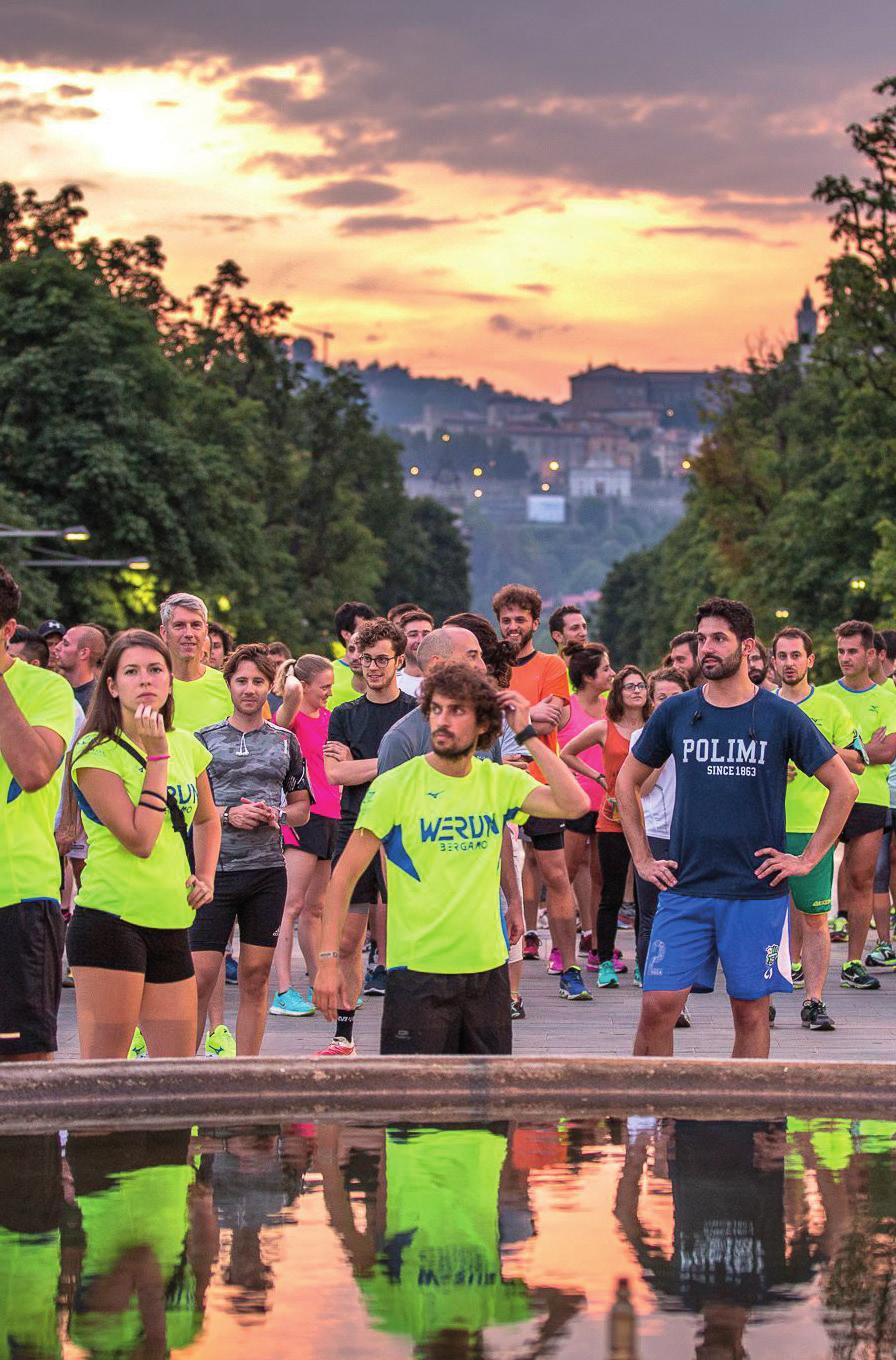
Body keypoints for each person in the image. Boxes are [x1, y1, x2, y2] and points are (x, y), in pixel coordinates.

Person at [617, 596, 857, 1059]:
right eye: (702, 638)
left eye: (718, 639)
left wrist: (808, 859)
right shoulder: (677, 712)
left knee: (750, 1011)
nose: (707, 648)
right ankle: (652, 1114)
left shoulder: (780, 715)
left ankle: (751, 1123)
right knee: (656, 1006)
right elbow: (626, 781)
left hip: (755, 892)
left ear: (747, 647)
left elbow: (843, 787)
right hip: (685, 886)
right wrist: (642, 857)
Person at [314, 664, 589, 1052]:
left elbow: (574, 803)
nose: (443, 720)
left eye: (457, 711)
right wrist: (327, 961)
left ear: (483, 725)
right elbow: (341, 880)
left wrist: (528, 735)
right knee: (415, 1109)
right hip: (417, 972)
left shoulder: (498, 781)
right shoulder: (394, 785)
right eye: (437, 709)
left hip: (486, 971)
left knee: (486, 1109)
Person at [67, 629, 220, 1058]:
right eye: (131, 671)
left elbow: (208, 818)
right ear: (112, 685)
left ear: (170, 681)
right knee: (106, 1079)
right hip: (111, 922)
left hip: (172, 921)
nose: (146, 680)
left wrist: (205, 875)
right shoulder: (96, 753)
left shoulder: (187, 745)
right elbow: (140, 839)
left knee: (175, 1077)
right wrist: (156, 757)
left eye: (156, 670)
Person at [191, 644, 309, 1055]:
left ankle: (246, 1069)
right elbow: (187, 807)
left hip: (266, 872)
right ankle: (180, 1070)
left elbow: (302, 810)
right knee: (201, 976)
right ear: (228, 684)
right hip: (214, 871)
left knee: (256, 975)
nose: (249, 689)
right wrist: (226, 816)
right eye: (241, 680)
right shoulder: (202, 740)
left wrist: (277, 814)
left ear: (269, 687)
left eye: (258, 681)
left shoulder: (285, 742)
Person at [318, 617, 417, 1054]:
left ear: (398, 660)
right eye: (365, 659)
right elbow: (335, 773)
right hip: (355, 822)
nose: (373, 667)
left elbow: (422, 771)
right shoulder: (344, 714)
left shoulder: (416, 711)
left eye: (381, 659)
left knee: (404, 932)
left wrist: (365, 764)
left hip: (407, 829)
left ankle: (405, 1026)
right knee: (347, 937)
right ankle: (344, 1032)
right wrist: (394, 763)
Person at [493, 584, 587, 996]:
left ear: (535, 622)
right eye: (506, 620)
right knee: (497, 874)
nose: (513, 627)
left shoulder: (551, 664)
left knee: (555, 875)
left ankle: (569, 967)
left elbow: (553, 722)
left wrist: (513, 711)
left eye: (520, 619)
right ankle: (499, 973)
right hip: (497, 783)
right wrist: (530, 710)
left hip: (542, 784)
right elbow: (496, 716)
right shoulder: (490, 662)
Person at [0, 565, 76, 1063]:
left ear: (8, 632)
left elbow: (32, 771)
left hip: (19, 897)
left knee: (24, 1072)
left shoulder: (48, 690)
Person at [772, 626, 862, 1031]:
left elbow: (858, 762)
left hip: (813, 827)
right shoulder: (758, 705)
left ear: (810, 661)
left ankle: (814, 1000)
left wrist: (813, 750)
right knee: (763, 917)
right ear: (771, 662)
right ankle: (764, 997)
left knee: (815, 918)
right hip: (765, 827)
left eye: (796, 655)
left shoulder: (830, 706)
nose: (789, 663)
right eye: (782, 656)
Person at [561, 665, 652, 988]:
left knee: (646, 896)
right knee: (611, 892)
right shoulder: (605, 727)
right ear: (618, 693)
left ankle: (644, 963)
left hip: (648, 819)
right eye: (629, 686)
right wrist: (599, 777)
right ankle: (604, 961)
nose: (636, 691)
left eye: (641, 685)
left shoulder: (656, 728)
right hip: (612, 818)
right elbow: (567, 753)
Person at [818, 619, 896, 990]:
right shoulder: (822, 696)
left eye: (852, 652)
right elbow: (809, 752)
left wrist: (836, 750)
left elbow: (890, 750)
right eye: (840, 651)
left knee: (862, 879)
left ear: (871, 655)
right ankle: (799, 962)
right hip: (825, 796)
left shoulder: (887, 696)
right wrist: (861, 750)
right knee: (813, 877)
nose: (845, 658)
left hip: (870, 798)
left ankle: (852, 962)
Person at [272, 654, 342, 1016]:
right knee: (291, 905)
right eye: (325, 686)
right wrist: (292, 693)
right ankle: (282, 990)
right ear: (306, 686)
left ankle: (319, 983)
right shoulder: (293, 716)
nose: (330, 692)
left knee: (316, 908)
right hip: (303, 817)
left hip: (332, 816)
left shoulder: (331, 719)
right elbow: (280, 724)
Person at [630, 667, 689, 987]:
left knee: (686, 913)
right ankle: (651, 979)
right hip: (655, 833)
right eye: (662, 698)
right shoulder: (643, 738)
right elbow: (642, 787)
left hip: (691, 833)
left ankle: (680, 982)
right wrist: (663, 750)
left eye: (675, 697)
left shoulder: (700, 734)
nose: (668, 704)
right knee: (652, 914)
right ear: (651, 703)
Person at [558, 644, 614, 964]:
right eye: (605, 669)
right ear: (588, 677)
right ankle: (560, 945)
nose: (611, 673)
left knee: (600, 876)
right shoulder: (566, 708)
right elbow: (558, 752)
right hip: (574, 803)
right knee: (564, 872)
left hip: (606, 806)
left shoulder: (611, 708)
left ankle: (594, 943)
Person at [159, 592, 233, 733]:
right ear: (164, 633)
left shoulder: (228, 686)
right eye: (179, 625)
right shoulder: (150, 685)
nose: (188, 633)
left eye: (195, 625)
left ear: (205, 631)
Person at [329, 601, 376, 710]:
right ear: (346, 634)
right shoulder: (327, 672)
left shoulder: (381, 670)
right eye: (364, 630)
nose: (370, 634)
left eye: (372, 629)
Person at [55, 623, 108, 709]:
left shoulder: (98, 701)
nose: (57, 647)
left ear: (83, 653)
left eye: (65, 643)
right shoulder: (55, 688)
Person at [395, 609, 434, 696]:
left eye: (426, 634)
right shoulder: (391, 683)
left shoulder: (444, 683)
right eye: (413, 635)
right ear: (402, 639)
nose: (420, 641)